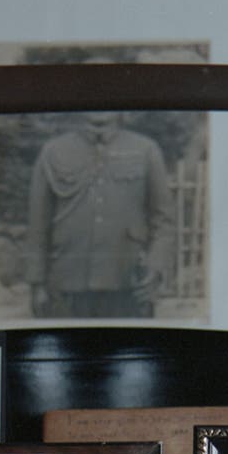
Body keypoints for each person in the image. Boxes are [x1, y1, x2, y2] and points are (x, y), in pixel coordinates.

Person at [23, 111, 173, 319]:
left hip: (127, 283)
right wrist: (36, 282)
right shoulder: (53, 151)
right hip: (66, 284)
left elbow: (163, 221)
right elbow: (38, 224)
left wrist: (155, 268)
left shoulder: (146, 150)